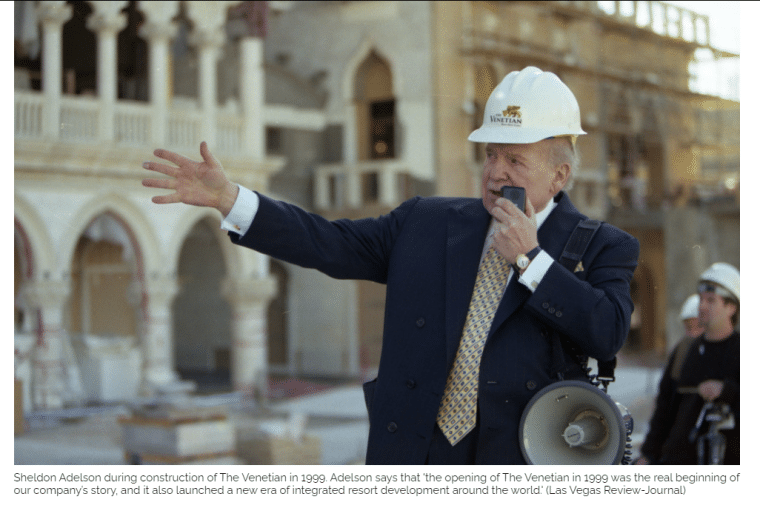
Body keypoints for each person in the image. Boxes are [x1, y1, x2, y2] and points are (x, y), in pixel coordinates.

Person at [142, 66, 639, 465]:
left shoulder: (601, 246)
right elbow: (328, 242)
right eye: (490, 155)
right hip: (412, 456)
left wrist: (531, 260)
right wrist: (232, 200)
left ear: (560, 175)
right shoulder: (425, 222)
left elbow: (606, 331)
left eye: (515, 160)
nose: (495, 173)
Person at [637, 263, 739, 465]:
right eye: (701, 299)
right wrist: (648, 454)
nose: (702, 306)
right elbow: (665, 408)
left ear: (731, 307)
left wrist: (727, 390)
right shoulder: (685, 351)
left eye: (711, 301)